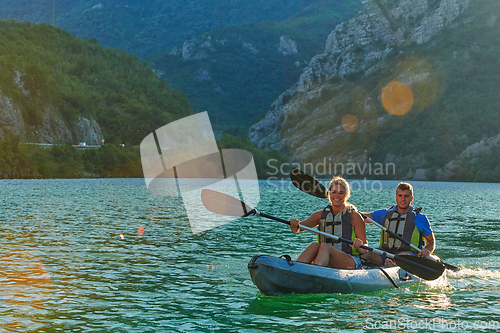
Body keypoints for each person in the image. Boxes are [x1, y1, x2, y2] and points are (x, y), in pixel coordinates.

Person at [289, 176, 368, 269]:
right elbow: (298, 228)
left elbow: (364, 250)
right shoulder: (320, 214)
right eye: (334, 192)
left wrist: (359, 245)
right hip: (327, 259)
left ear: (346, 195)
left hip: (350, 261)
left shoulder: (354, 216)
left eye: (341, 193)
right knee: (315, 245)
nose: (337, 196)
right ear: (329, 194)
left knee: (325, 247)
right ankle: (294, 270)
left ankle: (314, 272)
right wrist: (294, 224)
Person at [361, 182, 435, 266]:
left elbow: (431, 241)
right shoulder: (385, 213)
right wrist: (349, 210)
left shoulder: (420, 218)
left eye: (406, 196)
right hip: (385, 253)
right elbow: (362, 218)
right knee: (366, 253)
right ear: (396, 197)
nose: (403, 199)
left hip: (408, 255)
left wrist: (427, 250)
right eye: (400, 196)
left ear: (412, 198)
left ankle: (392, 265)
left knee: (401, 256)